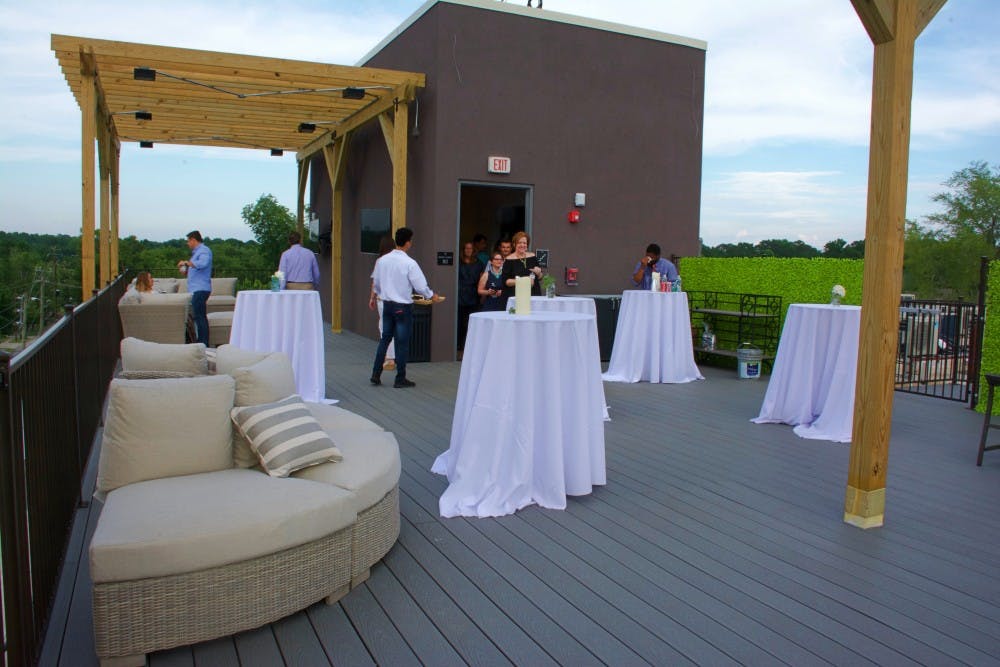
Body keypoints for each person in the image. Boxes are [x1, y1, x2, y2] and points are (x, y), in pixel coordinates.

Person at [370, 227, 443, 388]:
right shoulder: (410, 263)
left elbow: (376, 283)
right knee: (402, 343)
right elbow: (420, 285)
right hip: (403, 306)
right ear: (408, 242)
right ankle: (400, 378)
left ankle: (376, 374)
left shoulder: (383, 260)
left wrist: (382, 294)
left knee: (385, 339)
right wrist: (432, 295)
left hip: (387, 304)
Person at [177, 230, 212, 346]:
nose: (188, 243)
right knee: (198, 317)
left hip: (200, 289)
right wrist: (186, 270)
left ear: (193, 240)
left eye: (188, 241)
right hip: (197, 289)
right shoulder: (196, 253)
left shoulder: (204, 250)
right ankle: (201, 342)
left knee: (200, 317)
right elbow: (197, 269)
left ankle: (203, 344)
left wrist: (187, 263)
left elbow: (203, 263)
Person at [368, 235, 397, 371]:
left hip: (382, 299)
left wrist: (372, 298)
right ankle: (391, 356)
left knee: (384, 327)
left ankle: (389, 357)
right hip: (396, 299)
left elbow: (375, 282)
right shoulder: (399, 260)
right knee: (395, 326)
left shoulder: (380, 261)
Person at [457, 241, 484, 354]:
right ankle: (459, 345)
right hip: (460, 295)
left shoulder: (479, 263)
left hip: (473, 295)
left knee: (470, 322)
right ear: (463, 250)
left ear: (474, 250)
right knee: (460, 322)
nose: (468, 250)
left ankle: (469, 345)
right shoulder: (459, 262)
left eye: (470, 248)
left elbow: (482, 278)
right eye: (466, 248)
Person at [501, 230, 542, 299]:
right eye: (519, 243)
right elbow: (506, 281)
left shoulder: (532, 256)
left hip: (533, 294)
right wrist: (523, 281)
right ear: (514, 244)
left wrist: (539, 273)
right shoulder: (509, 260)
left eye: (524, 243)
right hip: (516, 295)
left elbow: (540, 277)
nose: (522, 245)